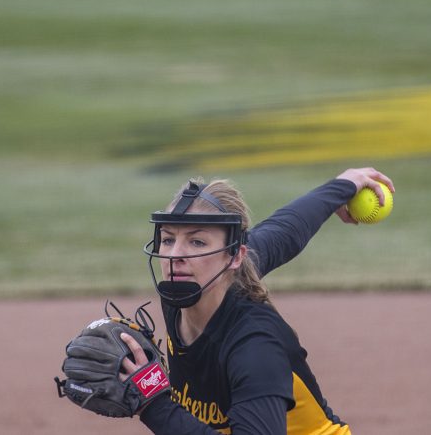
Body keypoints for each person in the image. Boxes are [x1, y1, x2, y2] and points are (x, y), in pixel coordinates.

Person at [119, 166, 395, 434]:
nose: (175, 256)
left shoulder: (255, 344)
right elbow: (285, 230)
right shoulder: (185, 290)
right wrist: (342, 186)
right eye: (168, 239)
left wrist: (153, 403)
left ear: (235, 256)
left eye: (197, 242)